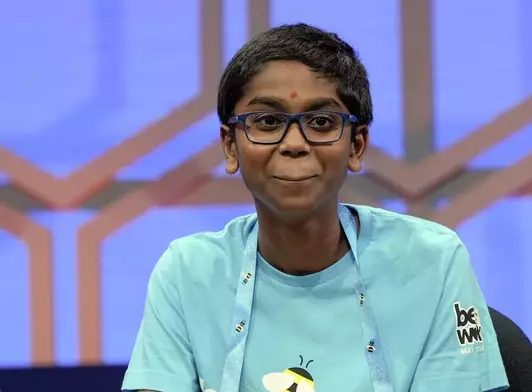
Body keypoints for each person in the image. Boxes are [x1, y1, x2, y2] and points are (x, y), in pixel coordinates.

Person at [122, 23, 509, 392]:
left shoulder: (433, 260)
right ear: (230, 145)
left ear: (356, 146)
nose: (294, 143)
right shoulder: (187, 272)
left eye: (322, 121)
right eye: (268, 120)